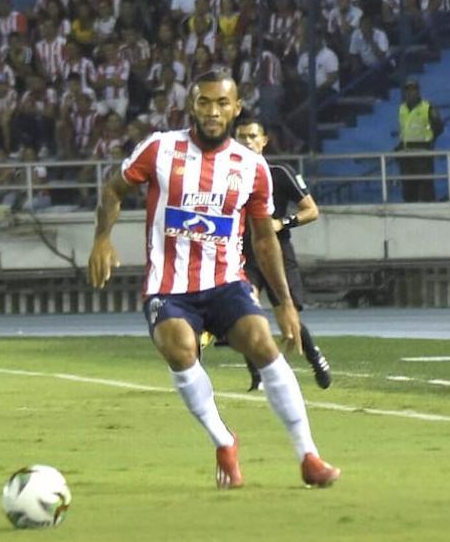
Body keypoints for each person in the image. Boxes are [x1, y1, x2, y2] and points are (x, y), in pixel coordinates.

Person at [87, 70, 340, 489]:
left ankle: (308, 456)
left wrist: (284, 304)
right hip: (169, 286)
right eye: (204, 101)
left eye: (222, 103)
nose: (212, 110)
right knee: (179, 348)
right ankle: (224, 441)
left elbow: (264, 239)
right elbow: (114, 188)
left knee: (262, 343)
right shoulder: (160, 148)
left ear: (236, 109)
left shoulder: (252, 167)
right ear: (192, 105)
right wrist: (102, 238)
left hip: (225, 282)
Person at [230, 118, 331, 392]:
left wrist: (282, 223)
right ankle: (258, 375)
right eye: (241, 137)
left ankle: (314, 357)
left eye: (252, 136)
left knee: (288, 324)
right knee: (243, 312)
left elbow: (311, 210)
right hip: (243, 255)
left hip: (277, 253)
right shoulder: (226, 176)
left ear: (264, 141)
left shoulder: (279, 173)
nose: (247, 142)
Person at [397, 78, 442, 203]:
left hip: (423, 151)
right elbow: (403, 128)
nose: (410, 93)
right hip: (406, 152)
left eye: (413, 89)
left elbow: (438, 126)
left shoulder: (427, 107)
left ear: (418, 91)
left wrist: (429, 140)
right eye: (408, 90)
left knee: (425, 186)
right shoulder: (402, 108)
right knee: (408, 187)